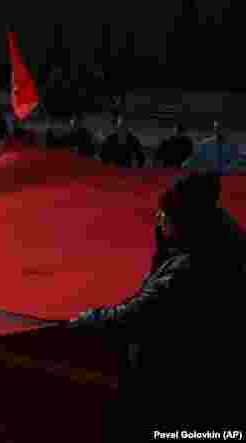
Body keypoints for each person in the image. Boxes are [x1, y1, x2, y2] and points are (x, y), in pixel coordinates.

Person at [68, 172, 246, 432]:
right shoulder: (220, 233)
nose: (158, 218)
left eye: (164, 214)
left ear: (184, 220)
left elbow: (138, 314)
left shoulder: (190, 268)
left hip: (181, 385)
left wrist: (84, 321)